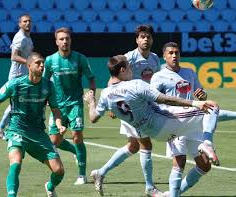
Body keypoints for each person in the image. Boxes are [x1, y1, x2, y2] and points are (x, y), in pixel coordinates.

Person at [84, 55, 219, 197]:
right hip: (163, 123)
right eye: (129, 67)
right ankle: (207, 144)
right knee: (212, 108)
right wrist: (194, 103)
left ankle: (153, 188)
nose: (131, 70)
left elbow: (93, 118)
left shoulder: (105, 94)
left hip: (149, 130)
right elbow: (164, 98)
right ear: (122, 70)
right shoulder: (135, 84)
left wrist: (91, 102)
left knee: (137, 146)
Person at [150, 42, 232, 196]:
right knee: (179, 162)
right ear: (164, 56)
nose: (174, 56)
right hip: (174, 122)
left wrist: (202, 95)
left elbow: (201, 94)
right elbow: (153, 99)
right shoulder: (158, 77)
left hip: (193, 123)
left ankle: (171, 194)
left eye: (177, 53)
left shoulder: (189, 72)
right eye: (171, 53)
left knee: (205, 165)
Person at [90, 24, 162, 197]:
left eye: (148, 37)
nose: (145, 39)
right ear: (137, 40)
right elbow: (112, 79)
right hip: (131, 107)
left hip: (145, 106)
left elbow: (154, 82)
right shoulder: (128, 57)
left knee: (133, 146)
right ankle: (150, 187)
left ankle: (101, 172)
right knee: (146, 144)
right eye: (142, 37)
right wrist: (113, 103)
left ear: (152, 39)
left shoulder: (154, 58)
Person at [0, 52, 65, 197]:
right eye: (38, 63)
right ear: (29, 65)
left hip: (39, 134)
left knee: (59, 171)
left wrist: (59, 124)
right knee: (16, 163)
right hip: (17, 130)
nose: (42, 65)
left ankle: (50, 187)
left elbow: (55, 110)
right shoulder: (15, 84)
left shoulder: (48, 86)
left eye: (43, 63)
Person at [43, 27, 96, 185]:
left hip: (75, 104)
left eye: (67, 38)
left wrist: (92, 94)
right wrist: (44, 98)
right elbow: (44, 81)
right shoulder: (50, 60)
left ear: (70, 40)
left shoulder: (80, 58)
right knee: (54, 141)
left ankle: (82, 175)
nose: (65, 41)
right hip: (57, 106)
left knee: (77, 136)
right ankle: (74, 152)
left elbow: (91, 78)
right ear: (56, 42)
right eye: (61, 39)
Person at [0, 14, 33, 139]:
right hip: (17, 75)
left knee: (21, 102)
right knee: (16, 103)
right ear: (19, 23)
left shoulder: (25, 37)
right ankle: (0, 129)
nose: (27, 23)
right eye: (25, 21)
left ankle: (9, 128)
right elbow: (14, 56)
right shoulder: (20, 37)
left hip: (23, 74)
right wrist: (29, 62)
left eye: (29, 21)